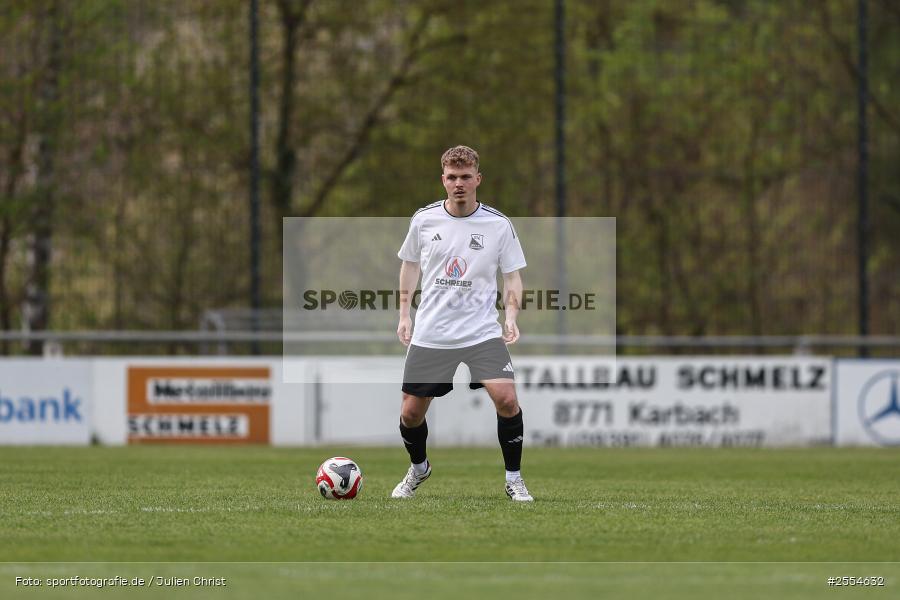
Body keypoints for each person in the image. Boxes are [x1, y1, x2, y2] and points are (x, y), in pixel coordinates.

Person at [392, 145, 532, 502]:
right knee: (410, 414)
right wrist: (404, 314)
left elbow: (513, 277)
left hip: (481, 331)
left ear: (477, 179)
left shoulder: (498, 225)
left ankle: (514, 479)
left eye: (465, 177)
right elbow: (410, 267)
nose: (459, 184)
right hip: (432, 330)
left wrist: (511, 316)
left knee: (506, 399)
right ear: (443, 179)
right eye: (452, 177)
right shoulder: (424, 220)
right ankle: (419, 468)